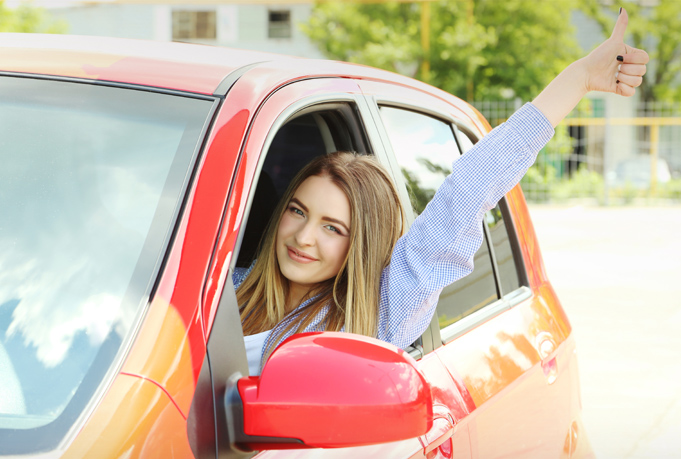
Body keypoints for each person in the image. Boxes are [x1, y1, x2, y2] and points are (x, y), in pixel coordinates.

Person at [234, 8, 649, 376]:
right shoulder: (221, 288)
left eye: (333, 228)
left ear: (361, 245)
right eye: (298, 211)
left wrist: (579, 79)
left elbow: (469, 189)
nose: (303, 237)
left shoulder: (377, 314)